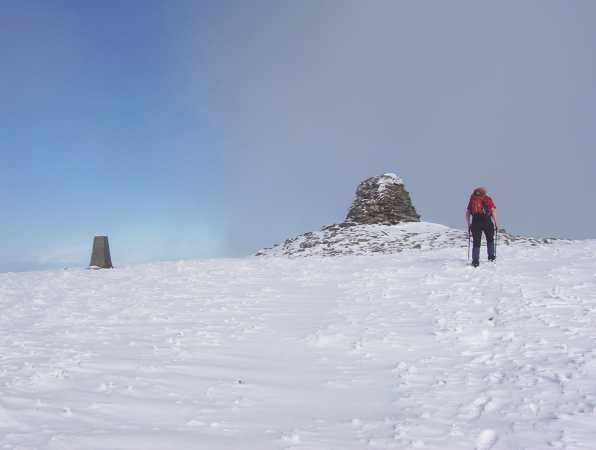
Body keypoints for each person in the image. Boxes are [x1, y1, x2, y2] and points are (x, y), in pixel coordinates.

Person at [465, 187, 498, 267]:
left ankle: (475, 261)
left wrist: (469, 224)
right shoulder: (488, 199)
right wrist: (496, 223)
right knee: (490, 239)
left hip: (475, 222)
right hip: (487, 221)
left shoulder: (473, 199)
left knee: (476, 242)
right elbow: (493, 211)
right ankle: (491, 257)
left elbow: (468, 213)